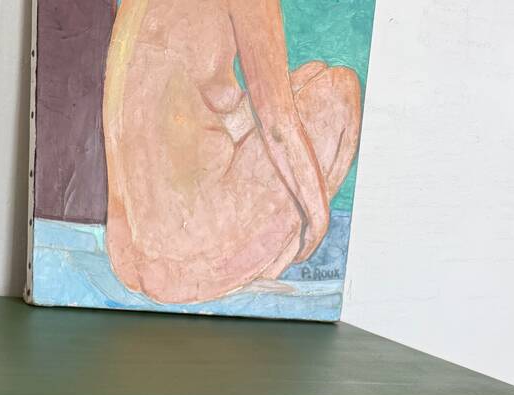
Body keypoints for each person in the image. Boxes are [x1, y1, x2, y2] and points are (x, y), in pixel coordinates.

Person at [103, 0, 361, 304]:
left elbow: (211, 103)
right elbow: (278, 126)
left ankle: (252, 263)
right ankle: (267, 267)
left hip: (128, 254)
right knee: (341, 90)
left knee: (311, 75)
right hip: (185, 260)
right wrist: (319, 219)